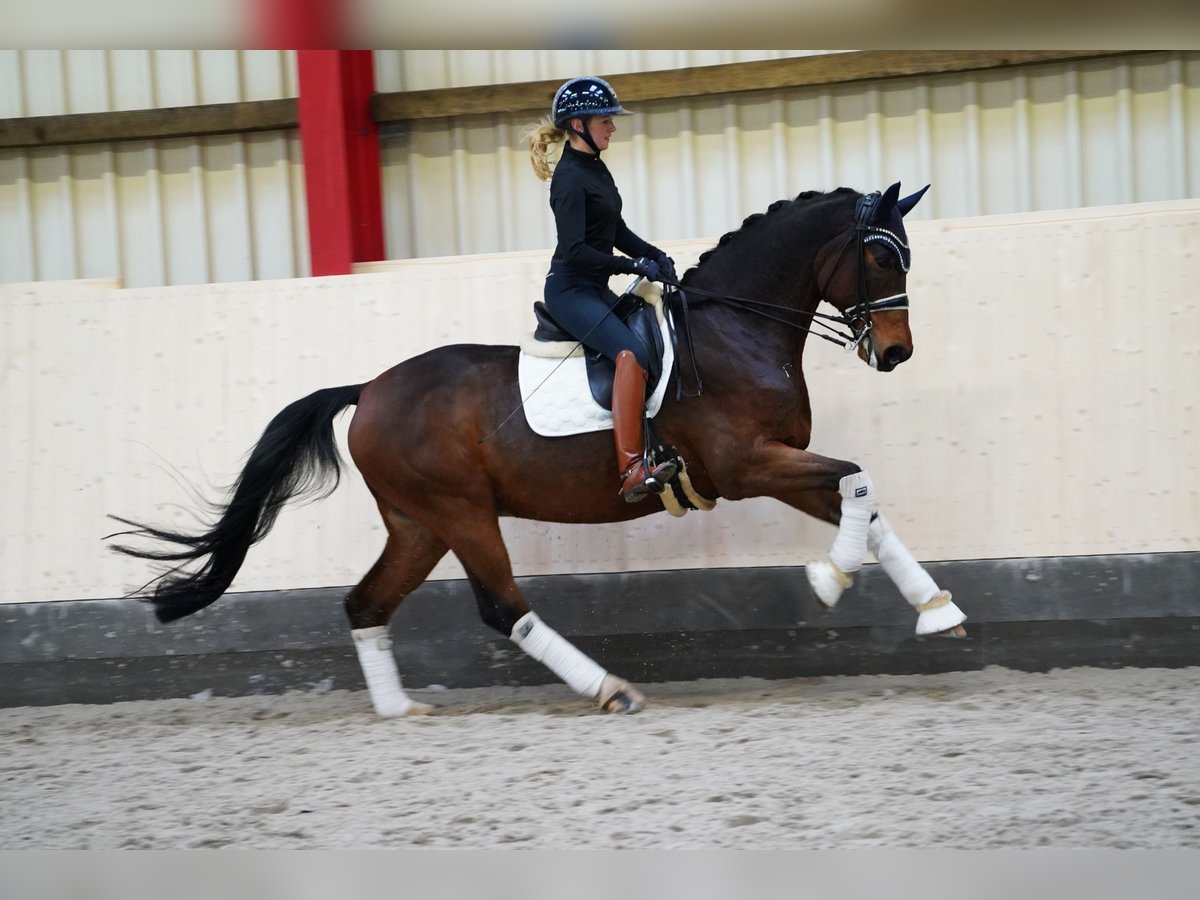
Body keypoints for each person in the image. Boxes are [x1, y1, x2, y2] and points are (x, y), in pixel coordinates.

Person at [525, 76, 678, 503]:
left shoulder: (595, 167)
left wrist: (653, 254)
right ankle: (631, 468)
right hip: (572, 291)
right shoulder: (570, 180)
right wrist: (630, 265)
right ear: (578, 124)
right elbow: (575, 251)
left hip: (593, 286)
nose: (613, 127)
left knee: (652, 343)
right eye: (606, 120)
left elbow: (616, 229)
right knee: (630, 354)